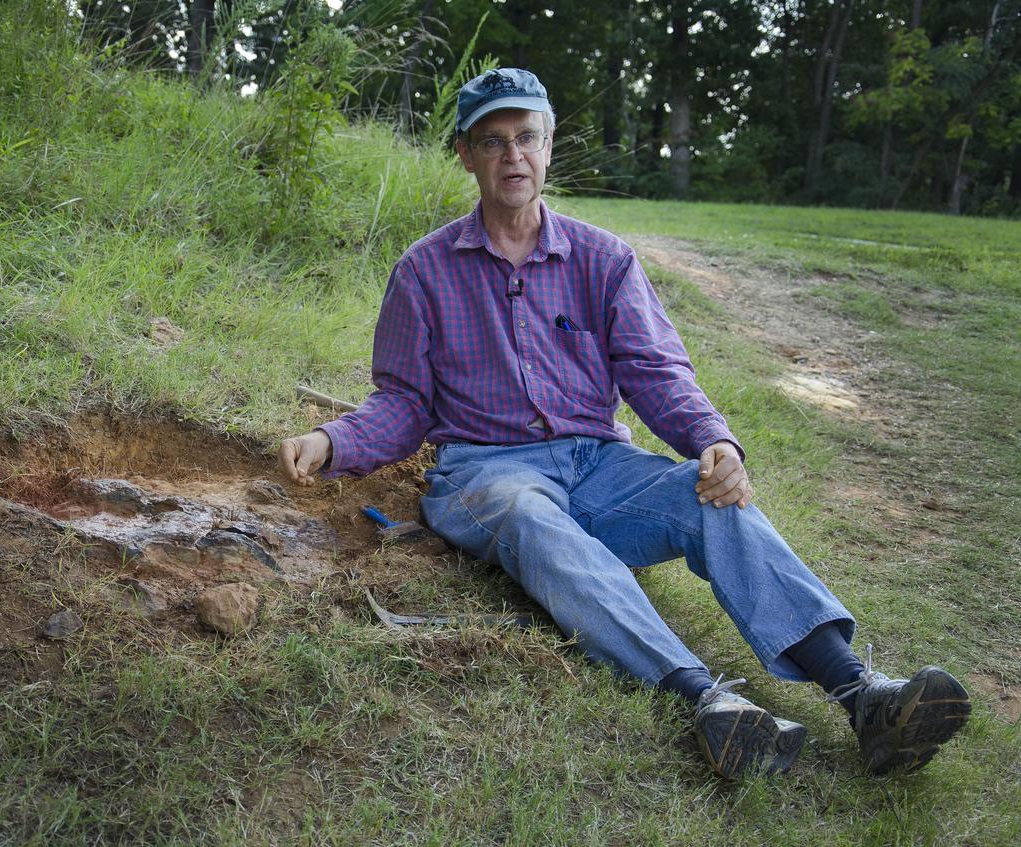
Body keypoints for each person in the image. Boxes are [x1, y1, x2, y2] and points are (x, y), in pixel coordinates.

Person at [277, 68, 970, 779]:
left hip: (600, 466)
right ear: (465, 155)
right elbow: (402, 401)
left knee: (710, 498)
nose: (512, 155)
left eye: (526, 137)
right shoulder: (424, 271)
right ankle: (707, 701)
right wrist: (333, 440)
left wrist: (713, 441)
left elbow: (655, 372)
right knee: (529, 515)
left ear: (548, 147)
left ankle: (863, 698)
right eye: (492, 141)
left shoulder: (604, 259)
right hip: (487, 471)